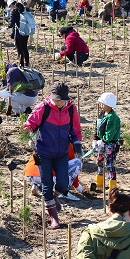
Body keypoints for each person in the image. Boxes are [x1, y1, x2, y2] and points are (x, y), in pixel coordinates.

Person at [23, 81, 83, 229]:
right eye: (56, 100)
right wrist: (29, 132)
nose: (59, 103)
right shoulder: (44, 107)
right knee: (46, 185)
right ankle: (53, 218)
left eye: (62, 100)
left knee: (63, 184)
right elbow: (30, 123)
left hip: (61, 152)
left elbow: (75, 129)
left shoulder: (70, 109)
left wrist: (77, 143)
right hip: (43, 153)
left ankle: (55, 196)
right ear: (51, 97)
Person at [93, 93, 121, 191]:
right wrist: (95, 139)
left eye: (103, 103)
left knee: (109, 163)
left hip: (111, 144)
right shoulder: (101, 114)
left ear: (109, 105)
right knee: (99, 161)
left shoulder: (114, 118)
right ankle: (99, 183)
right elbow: (97, 127)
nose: (101, 105)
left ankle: (112, 186)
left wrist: (104, 140)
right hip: (101, 142)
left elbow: (110, 132)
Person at [8, 1, 30, 67]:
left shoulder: (14, 11)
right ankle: (27, 63)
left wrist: (7, 26)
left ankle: (21, 65)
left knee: (19, 50)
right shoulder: (27, 10)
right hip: (26, 32)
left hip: (18, 32)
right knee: (25, 48)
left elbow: (11, 24)